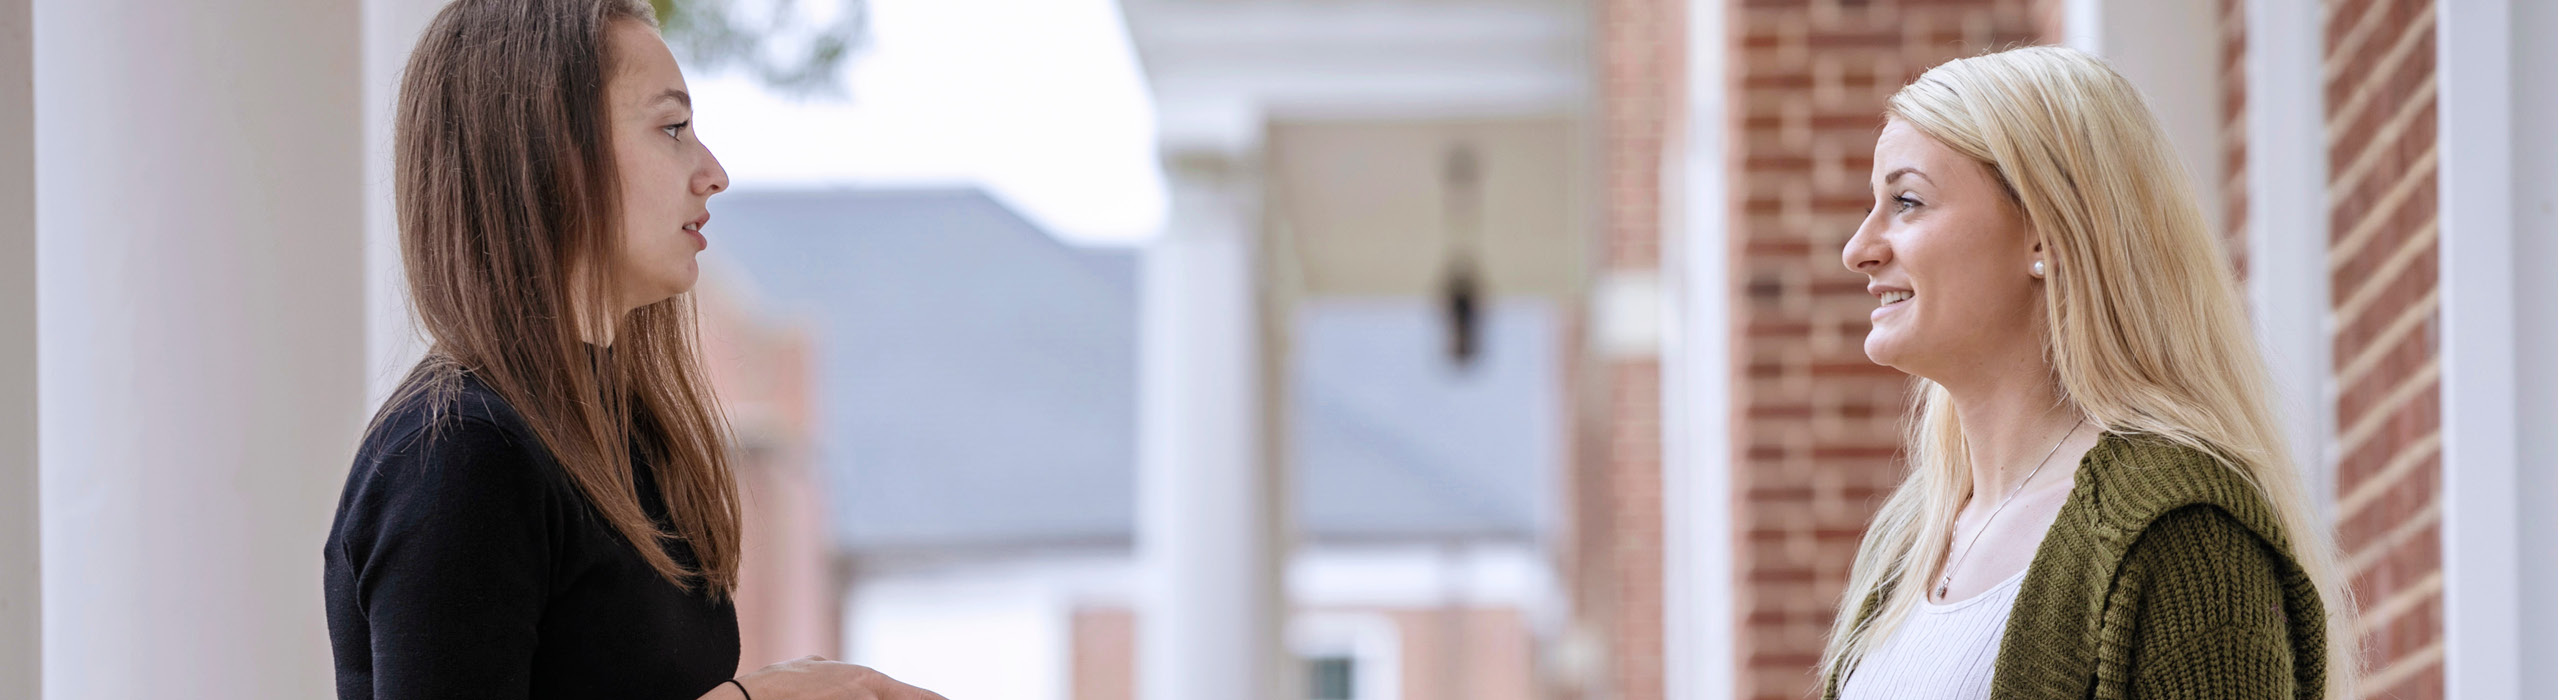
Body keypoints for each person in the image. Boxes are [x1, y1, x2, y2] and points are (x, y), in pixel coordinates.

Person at [322, 2, 942, 699]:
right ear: (548, 152)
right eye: (672, 128)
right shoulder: (461, 455)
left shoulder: (618, 435)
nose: (713, 172)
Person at [1821, 46, 2354, 700]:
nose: (1859, 250)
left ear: (2045, 233)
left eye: (1907, 201)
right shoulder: (1907, 542)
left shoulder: (2178, 538)